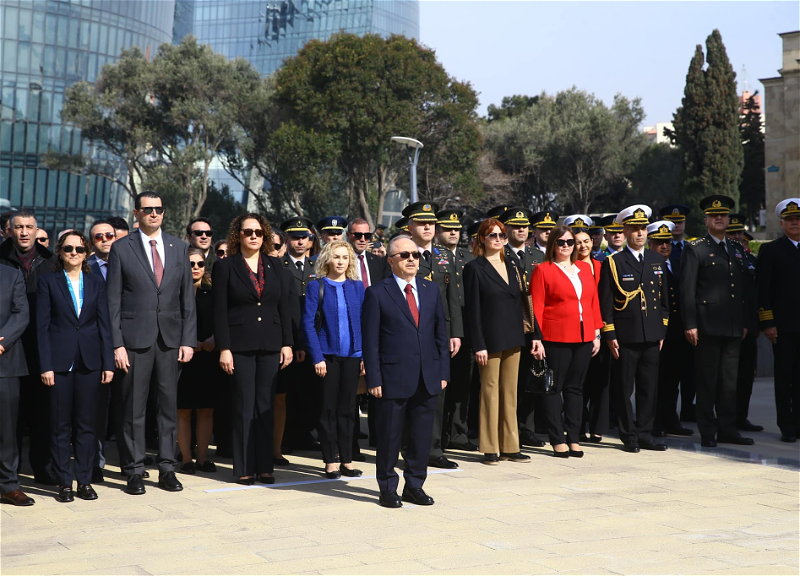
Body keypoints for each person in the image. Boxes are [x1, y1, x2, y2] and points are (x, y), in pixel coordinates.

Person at [107, 191, 197, 495]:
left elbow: (188, 299)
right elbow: (113, 302)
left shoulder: (179, 247)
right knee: (133, 406)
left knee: (168, 406)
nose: (154, 214)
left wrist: (189, 340)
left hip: (171, 339)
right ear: (136, 213)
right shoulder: (121, 248)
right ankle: (133, 470)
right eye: (148, 210)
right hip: (134, 340)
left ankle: (168, 468)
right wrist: (117, 344)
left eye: (159, 209)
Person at [362, 236, 449, 508]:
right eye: (404, 255)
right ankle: (387, 487)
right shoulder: (377, 292)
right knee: (389, 436)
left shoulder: (431, 289)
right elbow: (370, 340)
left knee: (421, 436)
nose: (412, 259)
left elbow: (440, 335)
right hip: (392, 377)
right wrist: (374, 378)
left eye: (415, 254)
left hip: (427, 376)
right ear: (391, 261)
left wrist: (442, 371)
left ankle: (415, 485)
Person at [214, 214, 294, 485]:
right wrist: (224, 348)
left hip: (271, 344)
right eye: (247, 232)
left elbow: (284, 308)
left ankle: (265, 466)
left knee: (265, 407)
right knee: (244, 406)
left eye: (259, 232)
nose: (253, 236)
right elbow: (219, 312)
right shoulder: (225, 266)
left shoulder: (276, 266)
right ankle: (244, 467)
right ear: (238, 235)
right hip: (239, 346)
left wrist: (287, 343)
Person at [37, 231, 114, 502]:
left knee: (86, 425)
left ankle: (84, 481)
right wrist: (45, 365)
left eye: (79, 249)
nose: (73, 253)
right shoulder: (48, 282)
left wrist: (108, 363)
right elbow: (42, 327)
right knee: (60, 426)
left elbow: (104, 324)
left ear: (86, 252)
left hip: (90, 362)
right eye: (68, 249)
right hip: (58, 364)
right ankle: (63, 483)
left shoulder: (96, 283)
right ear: (60, 252)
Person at [465, 218, 542, 464]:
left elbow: (523, 302)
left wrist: (534, 335)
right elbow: (473, 311)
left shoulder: (513, 265)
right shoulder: (474, 268)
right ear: (482, 240)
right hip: (489, 340)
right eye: (492, 236)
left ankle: (510, 445)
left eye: (501, 235)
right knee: (490, 392)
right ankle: (489, 447)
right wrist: (478, 344)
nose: (498, 239)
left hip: (513, 337)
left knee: (510, 393)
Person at [680, 195, 752, 448]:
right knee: (707, 381)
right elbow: (687, 290)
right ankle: (708, 430)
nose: (720, 219)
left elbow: (740, 289)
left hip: (732, 325)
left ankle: (728, 429)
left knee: (729, 383)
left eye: (724, 216)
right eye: (714, 215)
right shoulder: (695, 248)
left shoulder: (735, 247)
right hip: (707, 325)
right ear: (706, 219)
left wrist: (743, 322)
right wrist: (690, 324)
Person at [599, 206, 669, 453]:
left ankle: (645, 433)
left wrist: (661, 331)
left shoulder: (656, 259)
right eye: (635, 229)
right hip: (625, 336)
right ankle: (628, 435)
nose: (640, 233)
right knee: (624, 387)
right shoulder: (614, 262)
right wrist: (609, 334)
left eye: (643, 229)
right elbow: (606, 303)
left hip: (651, 334)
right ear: (625, 230)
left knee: (649, 387)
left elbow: (663, 302)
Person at [531, 225, 602, 457]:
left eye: (570, 242)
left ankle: (573, 438)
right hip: (555, 337)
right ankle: (557, 438)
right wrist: (537, 338)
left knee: (576, 389)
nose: (566, 246)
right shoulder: (544, 270)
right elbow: (537, 307)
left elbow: (593, 302)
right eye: (561, 242)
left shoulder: (583, 267)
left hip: (583, 336)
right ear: (553, 244)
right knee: (554, 388)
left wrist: (597, 333)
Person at [403, 201, 463, 470]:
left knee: (437, 393)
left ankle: (434, 449)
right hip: (408, 333)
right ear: (410, 227)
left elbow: (452, 299)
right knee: (406, 392)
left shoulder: (443, 255)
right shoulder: (400, 254)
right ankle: (406, 448)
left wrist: (456, 333)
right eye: (420, 222)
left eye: (430, 223)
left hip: (440, 334)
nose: (427, 227)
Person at [0, 209, 59, 485]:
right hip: (7, 348)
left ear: (37, 231)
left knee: (41, 412)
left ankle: (41, 466)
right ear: (9, 230)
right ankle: (9, 474)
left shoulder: (51, 262)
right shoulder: (1, 260)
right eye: (19, 227)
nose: (24, 232)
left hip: (41, 348)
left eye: (30, 227)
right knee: (9, 416)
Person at [302, 241, 365, 478]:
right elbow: (308, 324)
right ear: (327, 259)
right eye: (336, 257)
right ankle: (330, 460)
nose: (341, 261)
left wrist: (364, 356)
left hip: (353, 357)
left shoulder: (357, 287)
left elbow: (365, 323)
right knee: (327, 409)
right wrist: (317, 357)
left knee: (348, 410)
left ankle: (347, 460)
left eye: (345, 257)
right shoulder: (316, 286)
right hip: (327, 357)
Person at [498, 208, 547, 449]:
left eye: (525, 226)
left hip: (533, 327)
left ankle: (527, 428)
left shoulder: (537, 254)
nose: (521, 229)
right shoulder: (499, 254)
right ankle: (506, 429)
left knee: (530, 379)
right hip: (508, 326)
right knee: (507, 382)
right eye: (516, 225)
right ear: (505, 228)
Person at [756, 198, 800, 442]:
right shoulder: (771, 250)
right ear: (782, 223)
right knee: (784, 378)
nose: (795, 223)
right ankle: (787, 425)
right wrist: (767, 322)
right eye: (790, 220)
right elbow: (763, 290)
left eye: (798, 219)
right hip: (782, 327)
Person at [436, 209, 477, 452]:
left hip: (467, 330)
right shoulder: (433, 256)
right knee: (442, 386)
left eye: (457, 229)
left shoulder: (468, 256)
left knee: (463, 385)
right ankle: (439, 435)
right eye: (447, 228)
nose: (453, 232)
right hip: (443, 329)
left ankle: (458, 433)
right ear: (438, 231)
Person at [278, 217, 319, 459]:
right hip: (290, 338)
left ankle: (305, 433)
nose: (301, 241)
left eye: (305, 237)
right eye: (295, 237)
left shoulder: (317, 265)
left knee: (310, 391)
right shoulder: (279, 265)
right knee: (288, 391)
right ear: (287, 239)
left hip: (314, 338)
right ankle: (285, 437)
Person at [648, 221, 694, 439]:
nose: (664, 246)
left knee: (673, 379)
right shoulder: (647, 265)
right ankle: (655, 421)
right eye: (659, 242)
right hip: (655, 331)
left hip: (675, 331)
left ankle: (671, 419)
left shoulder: (677, 262)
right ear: (650, 244)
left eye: (667, 242)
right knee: (656, 380)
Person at [347, 218, 390, 455]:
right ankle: (350, 446)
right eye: (357, 235)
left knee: (377, 387)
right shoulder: (341, 261)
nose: (362, 239)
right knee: (352, 393)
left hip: (378, 331)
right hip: (351, 331)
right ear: (349, 236)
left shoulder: (378, 262)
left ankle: (378, 439)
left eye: (367, 235)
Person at [176, 248, 219, 475]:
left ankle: (202, 458)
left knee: (205, 409)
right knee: (182, 410)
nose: (195, 268)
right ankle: (185, 459)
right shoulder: (173, 292)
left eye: (200, 264)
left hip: (208, 356)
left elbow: (223, 319)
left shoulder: (212, 293)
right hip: (181, 357)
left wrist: (213, 339)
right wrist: (188, 342)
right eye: (191, 263)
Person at [0, 264, 35, 506]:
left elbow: (21, 313)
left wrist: (1, 343)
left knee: (7, 430)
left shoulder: (12, 275)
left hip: (6, 361)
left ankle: (8, 484)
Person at [86, 219, 118, 483]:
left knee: (129, 409)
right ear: (91, 242)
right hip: (96, 348)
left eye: (110, 235)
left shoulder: (131, 264)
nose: (106, 239)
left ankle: (132, 463)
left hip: (131, 347)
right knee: (97, 410)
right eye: (99, 237)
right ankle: (95, 463)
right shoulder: (85, 270)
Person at [658, 204, 695, 423]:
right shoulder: (654, 257)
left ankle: (681, 414)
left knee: (686, 372)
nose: (665, 245)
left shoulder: (690, 249)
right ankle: (663, 417)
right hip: (663, 326)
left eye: (679, 222)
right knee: (665, 376)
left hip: (683, 322)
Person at [725, 214, 762, 433]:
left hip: (750, 325)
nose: (737, 237)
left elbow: (756, 294)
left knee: (747, 374)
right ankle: (726, 420)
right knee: (727, 378)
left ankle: (742, 417)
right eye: (733, 233)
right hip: (728, 326)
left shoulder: (751, 261)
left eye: (740, 233)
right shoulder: (722, 257)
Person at [574, 228, 607, 443]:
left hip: (600, 328)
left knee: (600, 381)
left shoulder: (600, 266)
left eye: (587, 241)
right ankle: (577, 427)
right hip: (578, 330)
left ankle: (597, 427)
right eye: (578, 242)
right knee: (579, 383)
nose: (584, 246)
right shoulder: (569, 267)